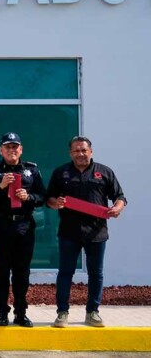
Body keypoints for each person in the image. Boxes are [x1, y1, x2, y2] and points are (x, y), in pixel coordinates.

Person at [46, 136, 126, 328]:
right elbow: (48, 198)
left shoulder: (104, 172)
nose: (80, 154)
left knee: (96, 273)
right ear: (70, 153)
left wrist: (117, 208)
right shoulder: (61, 173)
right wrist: (55, 203)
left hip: (97, 232)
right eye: (76, 151)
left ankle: (93, 312)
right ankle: (62, 313)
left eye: (84, 150)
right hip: (68, 232)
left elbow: (120, 196)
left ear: (91, 151)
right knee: (65, 272)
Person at [0, 132, 46, 328]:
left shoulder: (31, 170)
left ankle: (20, 312)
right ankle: (2, 312)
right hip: (1, 224)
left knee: (22, 271)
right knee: (1, 270)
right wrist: (1, 186)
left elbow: (43, 196)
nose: (12, 150)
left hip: (24, 225)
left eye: (15, 146)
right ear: (1, 150)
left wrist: (29, 197)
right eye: (8, 147)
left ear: (21, 149)